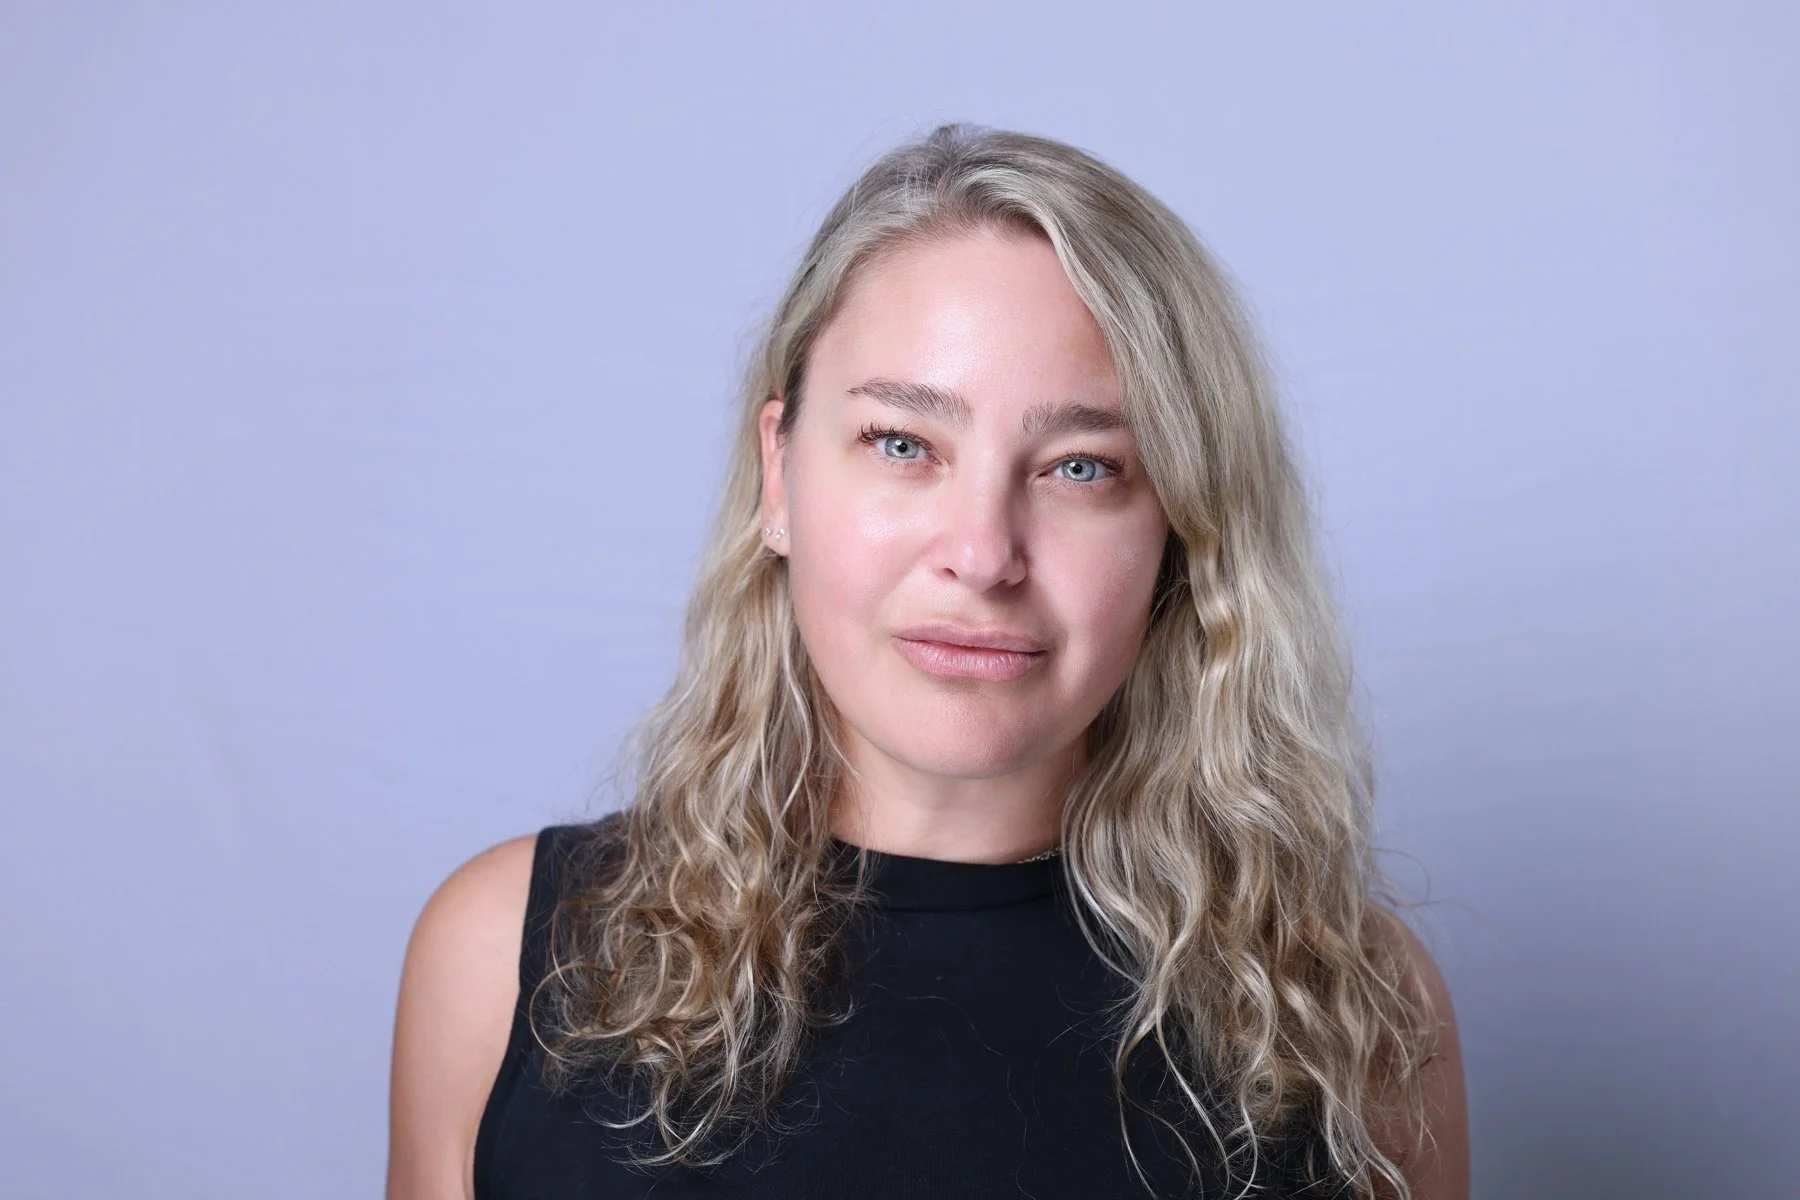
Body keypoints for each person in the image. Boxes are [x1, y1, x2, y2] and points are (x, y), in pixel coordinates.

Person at [386, 123, 1469, 1200]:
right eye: (904, 445)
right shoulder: (504, 961)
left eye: (1082, 468)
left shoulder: (1347, 1011)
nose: (982, 555)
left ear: (1181, 530)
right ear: (780, 473)